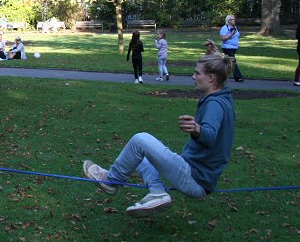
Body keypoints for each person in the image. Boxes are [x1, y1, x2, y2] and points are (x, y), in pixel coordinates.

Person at [82, 52, 235, 218]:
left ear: (211, 78)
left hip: (194, 177)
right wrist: (215, 55)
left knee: (139, 140)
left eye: (197, 73)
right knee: (139, 156)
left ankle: (111, 181)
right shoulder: (223, 96)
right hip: (199, 177)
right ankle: (158, 194)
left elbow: (210, 136)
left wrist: (198, 130)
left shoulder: (214, 105)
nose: (193, 76)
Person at [220, 14, 244, 82]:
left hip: (234, 48)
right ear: (229, 20)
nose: (234, 20)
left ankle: (219, 74)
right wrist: (231, 34)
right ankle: (239, 77)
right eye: (233, 19)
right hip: (227, 47)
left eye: (234, 19)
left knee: (227, 62)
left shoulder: (235, 27)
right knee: (233, 62)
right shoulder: (224, 28)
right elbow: (223, 38)